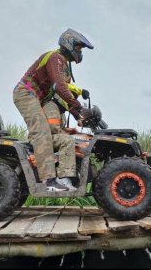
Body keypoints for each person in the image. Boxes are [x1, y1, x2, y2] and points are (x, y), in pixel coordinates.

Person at [13, 29, 94, 192]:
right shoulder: (54, 57)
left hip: (37, 97)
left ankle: (64, 179)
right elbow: (59, 87)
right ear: (69, 44)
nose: (79, 53)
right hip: (26, 92)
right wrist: (79, 107)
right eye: (78, 48)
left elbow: (62, 96)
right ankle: (49, 181)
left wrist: (78, 115)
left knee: (64, 138)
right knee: (41, 130)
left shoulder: (63, 67)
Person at [43, 83, 90, 191]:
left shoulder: (60, 110)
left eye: (73, 97)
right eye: (70, 96)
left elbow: (57, 129)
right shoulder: (51, 107)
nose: (71, 100)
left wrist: (70, 131)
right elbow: (53, 129)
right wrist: (68, 135)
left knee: (73, 138)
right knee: (69, 140)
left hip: (49, 137)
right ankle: (62, 178)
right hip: (43, 138)